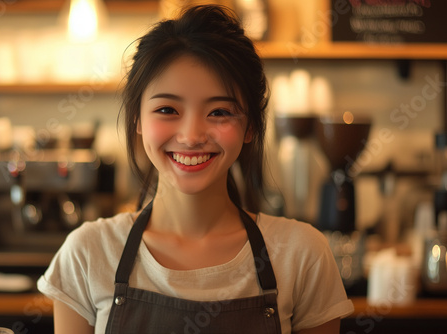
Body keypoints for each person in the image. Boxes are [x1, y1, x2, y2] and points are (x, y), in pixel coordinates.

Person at [37, 5, 354, 334]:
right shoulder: (88, 253)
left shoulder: (302, 256)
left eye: (219, 112)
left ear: (250, 128)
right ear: (137, 119)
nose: (191, 136)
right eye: (167, 109)